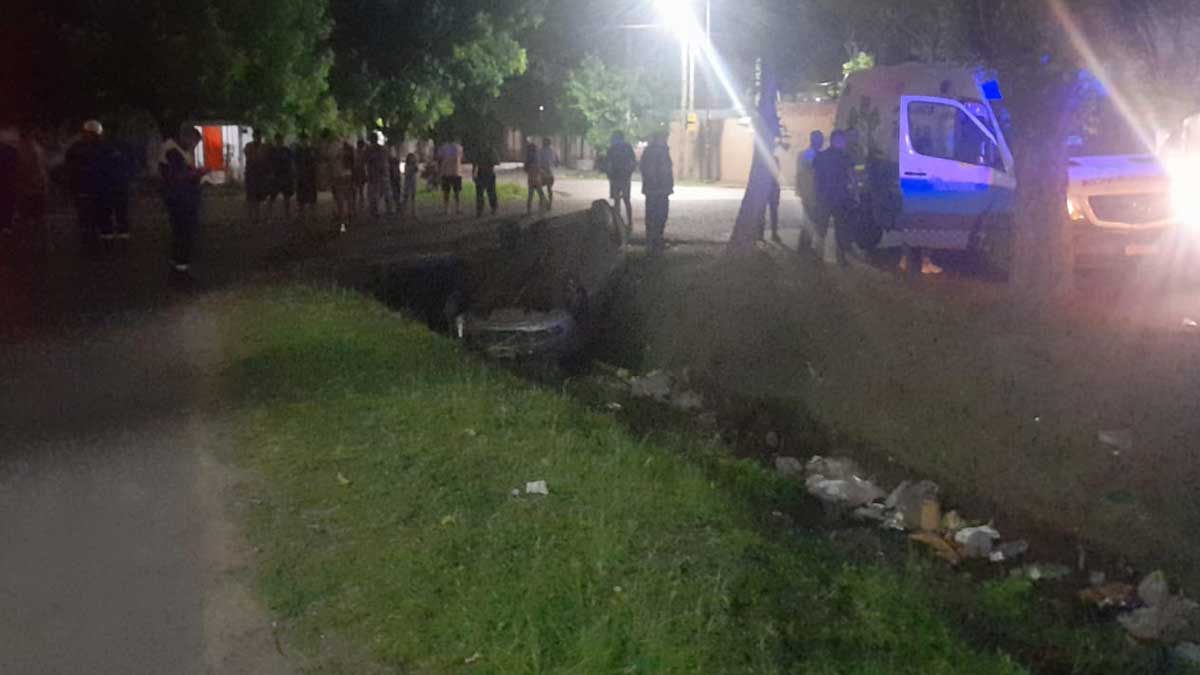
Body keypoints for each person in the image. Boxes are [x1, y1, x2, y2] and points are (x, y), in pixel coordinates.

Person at [64, 120, 126, 251]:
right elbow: (70, 168)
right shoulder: (103, 148)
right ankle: (98, 245)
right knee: (95, 221)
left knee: (97, 220)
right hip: (93, 190)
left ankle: (97, 245)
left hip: (96, 190)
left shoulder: (80, 148)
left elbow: (70, 167)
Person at [159, 126, 208, 273]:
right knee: (184, 230)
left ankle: (178, 260)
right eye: (194, 143)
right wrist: (199, 173)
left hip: (180, 196)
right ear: (187, 138)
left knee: (180, 230)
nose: (194, 147)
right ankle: (181, 263)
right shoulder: (173, 152)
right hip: (180, 197)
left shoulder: (175, 150)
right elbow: (178, 176)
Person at [811, 129, 855, 266]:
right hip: (837, 197)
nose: (844, 143)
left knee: (823, 228)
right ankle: (838, 258)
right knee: (837, 229)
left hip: (828, 197)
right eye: (842, 140)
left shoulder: (822, 156)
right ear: (835, 140)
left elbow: (815, 177)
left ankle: (820, 257)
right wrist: (855, 192)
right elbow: (851, 176)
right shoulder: (844, 157)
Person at [14, 124, 50, 255]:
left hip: (28, 189)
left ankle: (25, 245)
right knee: (40, 218)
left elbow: (23, 170)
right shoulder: (38, 148)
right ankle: (44, 245)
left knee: (25, 218)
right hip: (40, 188)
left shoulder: (22, 149)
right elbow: (45, 168)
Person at [640, 130, 674, 257]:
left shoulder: (652, 151)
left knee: (655, 216)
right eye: (664, 138)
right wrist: (662, 184)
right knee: (657, 215)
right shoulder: (659, 151)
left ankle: (654, 241)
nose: (666, 140)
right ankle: (654, 241)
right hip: (658, 189)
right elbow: (661, 170)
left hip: (655, 190)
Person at [795, 129, 824, 251]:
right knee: (810, 219)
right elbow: (807, 173)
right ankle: (804, 245)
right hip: (810, 192)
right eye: (820, 139)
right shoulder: (810, 154)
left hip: (810, 192)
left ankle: (805, 245)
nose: (822, 142)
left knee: (810, 218)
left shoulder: (808, 154)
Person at [606, 131, 637, 233]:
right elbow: (633, 161)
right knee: (626, 200)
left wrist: (609, 175)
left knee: (617, 201)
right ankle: (629, 222)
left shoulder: (612, 148)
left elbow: (608, 163)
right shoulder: (627, 147)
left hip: (616, 177)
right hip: (624, 177)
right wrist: (629, 172)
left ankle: (618, 223)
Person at [363, 132, 393, 219]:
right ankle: (388, 210)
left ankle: (376, 211)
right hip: (381, 173)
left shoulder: (369, 150)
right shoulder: (382, 149)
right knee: (385, 193)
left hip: (375, 174)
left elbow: (365, 160)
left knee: (375, 194)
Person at [267, 132, 295, 221]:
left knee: (287, 198)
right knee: (272, 197)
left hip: (285, 177)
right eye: (277, 140)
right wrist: (270, 173)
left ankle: (287, 215)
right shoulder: (272, 151)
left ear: (282, 140)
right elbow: (268, 163)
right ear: (275, 140)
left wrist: (291, 175)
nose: (279, 141)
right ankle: (269, 216)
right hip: (275, 177)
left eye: (280, 140)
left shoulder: (287, 150)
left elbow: (291, 163)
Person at [243, 132, 270, 224]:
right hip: (251, 175)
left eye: (259, 136)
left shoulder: (264, 147)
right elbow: (249, 157)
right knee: (250, 197)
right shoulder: (249, 146)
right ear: (254, 137)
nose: (258, 138)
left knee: (258, 198)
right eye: (256, 136)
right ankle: (250, 217)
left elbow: (265, 160)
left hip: (260, 175)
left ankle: (257, 217)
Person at [294, 132, 319, 224]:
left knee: (312, 198)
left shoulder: (312, 150)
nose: (304, 141)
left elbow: (315, 163)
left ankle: (313, 215)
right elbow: (295, 164)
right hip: (301, 177)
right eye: (302, 139)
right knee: (301, 199)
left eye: (305, 139)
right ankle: (301, 216)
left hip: (311, 177)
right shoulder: (298, 151)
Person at [436, 138, 463, 215]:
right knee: (456, 192)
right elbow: (461, 158)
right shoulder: (459, 147)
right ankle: (457, 208)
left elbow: (439, 159)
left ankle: (447, 209)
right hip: (456, 172)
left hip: (446, 172)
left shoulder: (443, 148)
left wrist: (439, 170)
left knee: (446, 192)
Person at [473, 141, 500, 218]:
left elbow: (497, 162)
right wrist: (474, 173)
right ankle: (484, 209)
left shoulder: (488, 151)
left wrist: (474, 173)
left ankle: (486, 209)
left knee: (487, 193)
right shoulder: (488, 151)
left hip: (486, 174)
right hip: (485, 174)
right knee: (484, 193)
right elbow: (475, 163)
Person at [333, 140, 356, 227]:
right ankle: (349, 213)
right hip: (348, 175)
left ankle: (342, 216)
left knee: (340, 197)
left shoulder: (339, 153)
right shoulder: (349, 153)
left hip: (339, 176)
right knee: (348, 196)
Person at [537, 137, 559, 210]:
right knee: (549, 189)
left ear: (543, 143)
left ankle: (543, 201)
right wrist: (553, 164)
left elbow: (537, 162)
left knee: (538, 187)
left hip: (542, 172)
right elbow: (557, 163)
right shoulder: (553, 151)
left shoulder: (540, 151)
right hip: (550, 173)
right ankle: (549, 203)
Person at [524, 141, 545, 214]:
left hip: (530, 179)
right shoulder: (536, 157)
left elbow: (526, 169)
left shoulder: (528, 158)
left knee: (530, 195)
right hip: (536, 179)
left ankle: (529, 209)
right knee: (541, 194)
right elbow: (539, 169)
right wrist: (542, 172)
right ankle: (541, 208)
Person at [353, 138, 369, 214]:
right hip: (360, 171)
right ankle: (360, 200)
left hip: (358, 171)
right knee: (360, 188)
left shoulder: (356, 152)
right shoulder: (362, 152)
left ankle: (358, 201)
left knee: (358, 187)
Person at [403, 152, 419, 219]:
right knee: (406, 197)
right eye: (411, 158)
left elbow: (416, 170)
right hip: (408, 182)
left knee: (413, 197)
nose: (412, 159)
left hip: (413, 182)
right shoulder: (406, 165)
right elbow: (407, 173)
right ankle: (405, 212)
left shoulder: (414, 165)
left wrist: (414, 167)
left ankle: (413, 212)